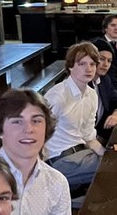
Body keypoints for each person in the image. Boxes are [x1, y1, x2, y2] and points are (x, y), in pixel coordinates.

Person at [43, 41, 105, 192]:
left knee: (114, 163)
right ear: (70, 66)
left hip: (82, 154)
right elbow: (39, 133)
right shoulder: (58, 96)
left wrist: (107, 154)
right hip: (59, 159)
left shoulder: (91, 95)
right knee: (112, 170)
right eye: (82, 64)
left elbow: (89, 137)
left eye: (92, 64)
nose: (88, 69)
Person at [92, 46, 117, 141]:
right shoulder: (83, 84)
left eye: (109, 61)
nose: (105, 64)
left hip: (99, 134)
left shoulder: (105, 80)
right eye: (102, 59)